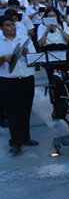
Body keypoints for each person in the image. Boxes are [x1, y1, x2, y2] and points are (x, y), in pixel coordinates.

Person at [0, 15, 37, 155]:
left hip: (26, 77)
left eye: (13, 24)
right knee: (12, 112)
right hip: (8, 80)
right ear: (1, 27)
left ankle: (26, 137)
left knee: (26, 109)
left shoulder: (23, 38)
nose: (12, 27)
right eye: (8, 25)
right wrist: (3, 59)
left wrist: (28, 54)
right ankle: (15, 141)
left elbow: (34, 58)